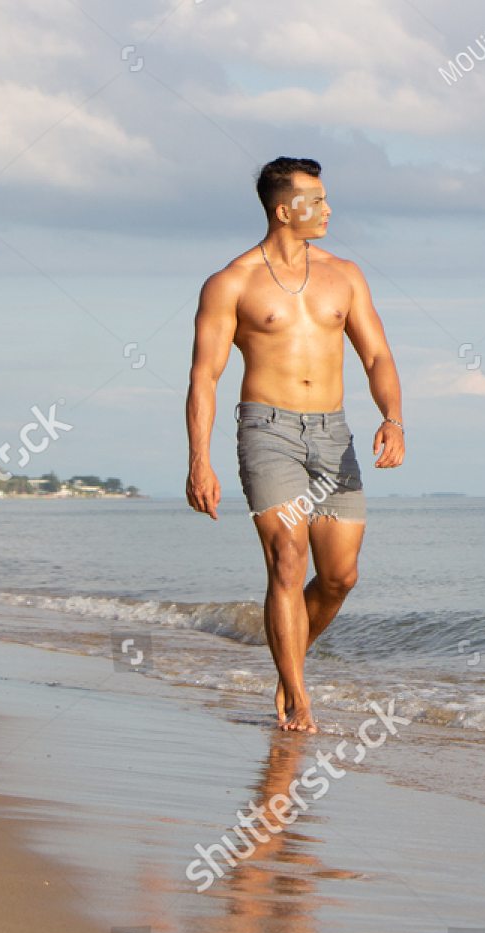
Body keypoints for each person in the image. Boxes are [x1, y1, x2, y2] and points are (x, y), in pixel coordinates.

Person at [185, 157, 404, 733]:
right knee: (288, 558)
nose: (329, 209)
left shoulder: (346, 275)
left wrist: (393, 417)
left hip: (333, 433)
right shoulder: (231, 282)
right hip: (267, 430)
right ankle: (301, 701)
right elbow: (204, 378)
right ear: (285, 210)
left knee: (340, 577)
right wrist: (199, 461)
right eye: (317, 200)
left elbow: (377, 355)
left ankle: (289, 665)